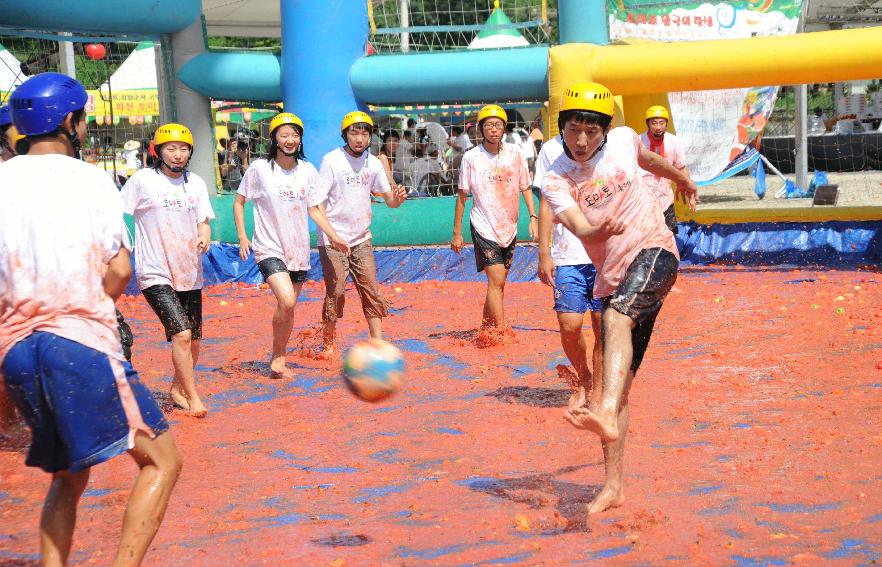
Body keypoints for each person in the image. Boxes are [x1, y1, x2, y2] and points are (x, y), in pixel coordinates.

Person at [0, 72, 180, 566]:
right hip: (76, 342)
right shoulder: (90, 178)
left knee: (68, 475)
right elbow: (121, 268)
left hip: (16, 352)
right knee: (162, 461)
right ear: (69, 122)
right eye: (82, 119)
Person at [541, 82, 697, 514]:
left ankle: (604, 415)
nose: (583, 140)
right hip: (611, 279)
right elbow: (576, 224)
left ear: (606, 131)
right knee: (618, 386)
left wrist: (683, 178)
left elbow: (650, 160)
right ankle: (613, 485)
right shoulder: (556, 178)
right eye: (575, 129)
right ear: (563, 128)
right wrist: (595, 232)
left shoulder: (626, 141)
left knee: (614, 321)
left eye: (592, 130)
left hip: (655, 251)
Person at [233, 113, 351, 377]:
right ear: (274, 138)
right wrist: (243, 235)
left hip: (297, 250)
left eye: (295, 135)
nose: (290, 140)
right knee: (286, 300)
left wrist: (334, 235)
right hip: (269, 246)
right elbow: (239, 202)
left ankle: (278, 356)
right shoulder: (260, 169)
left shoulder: (307, 171)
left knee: (287, 307)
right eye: (284, 135)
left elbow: (316, 210)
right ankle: (278, 356)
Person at [121, 123, 215, 418]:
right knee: (183, 334)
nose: (177, 155)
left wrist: (205, 233)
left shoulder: (196, 183)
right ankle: (193, 396)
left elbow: (203, 219)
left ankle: (176, 388)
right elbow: (118, 213)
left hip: (189, 270)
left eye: (183, 149)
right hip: (154, 271)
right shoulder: (142, 181)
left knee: (194, 340)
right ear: (157, 151)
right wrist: (123, 247)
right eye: (171, 149)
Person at [317, 111, 407, 351]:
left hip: (361, 238)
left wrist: (397, 199)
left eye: (364, 133)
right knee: (336, 291)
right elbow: (317, 203)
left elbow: (389, 200)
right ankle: (328, 342)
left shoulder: (374, 163)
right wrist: (331, 236)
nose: (359, 138)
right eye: (354, 133)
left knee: (370, 287)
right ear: (345, 135)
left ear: (370, 137)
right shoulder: (331, 161)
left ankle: (378, 342)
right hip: (332, 238)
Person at [451, 104, 536, 328]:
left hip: (509, 225)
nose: (493, 130)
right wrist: (457, 233)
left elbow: (525, 187)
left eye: (498, 125)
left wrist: (533, 216)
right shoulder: (471, 157)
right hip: (483, 225)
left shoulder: (515, 153)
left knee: (499, 283)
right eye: (488, 125)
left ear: (504, 128)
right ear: (481, 129)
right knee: (496, 279)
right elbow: (462, 196)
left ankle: (486, 326)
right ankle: (500, 332)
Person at [535, 133, 603, 413]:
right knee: (570, 325)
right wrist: (543, 252)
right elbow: (547, 203)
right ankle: (584, 376)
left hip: (605, 256)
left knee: (604, 328)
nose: (582, 137)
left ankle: (597, 391)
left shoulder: (612, 150)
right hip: (567, 256)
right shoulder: (551, 151)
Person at [640, 105, 689, 235]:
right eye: (654, 123)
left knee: (670, 234)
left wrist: (687, 187)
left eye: (661, 123)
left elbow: (681, 167)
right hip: (643, 198)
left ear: (666, 124)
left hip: (665, 197)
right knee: (646, 234)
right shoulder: (639, 141)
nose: (658, 127)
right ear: (648, 124)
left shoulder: (674, 141)